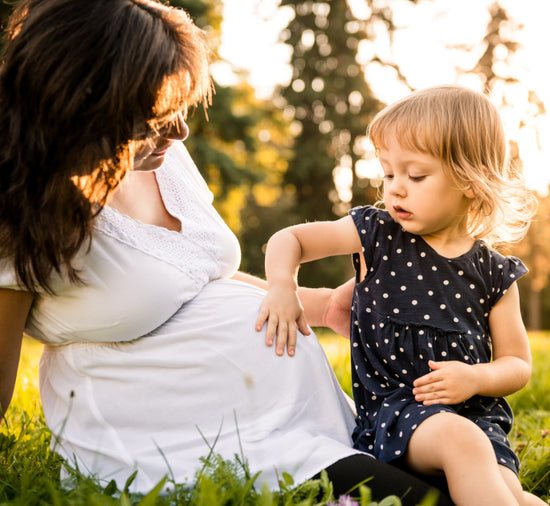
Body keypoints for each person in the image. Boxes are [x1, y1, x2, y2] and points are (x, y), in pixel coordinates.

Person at [0, 0, 454, 503]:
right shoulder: (18, 214)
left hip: (298, 421)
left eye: (177, 108)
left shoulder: (163, 159)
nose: (180, 132)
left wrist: (321, 303)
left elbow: (194, 276)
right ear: (81, 107)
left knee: (475, 478)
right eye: (154, 118)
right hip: (177, 445)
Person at [257, 85, 547, 505]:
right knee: (463, 444)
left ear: (470, 180)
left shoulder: (495, 273)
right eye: (388, 173)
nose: (394, 189)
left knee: (513, 494)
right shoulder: (377, 234)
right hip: (398, 415)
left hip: (478, 418)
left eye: (415, 176)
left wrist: (475, 378)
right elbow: (291, 239)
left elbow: (517, 364)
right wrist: (282, 288)